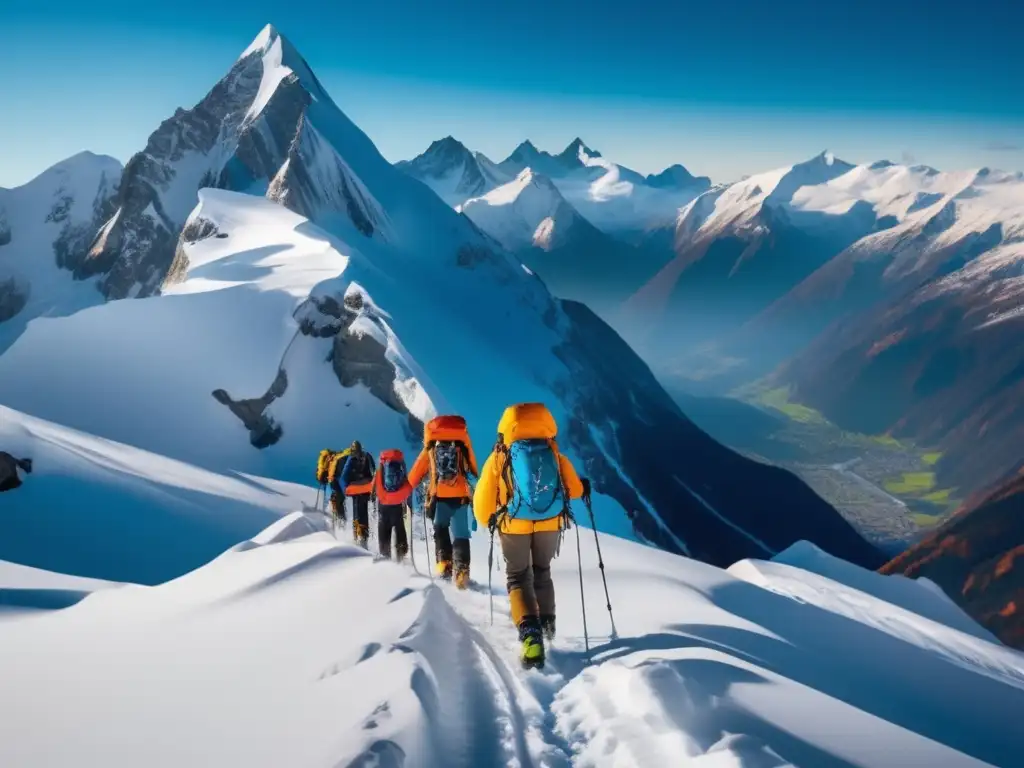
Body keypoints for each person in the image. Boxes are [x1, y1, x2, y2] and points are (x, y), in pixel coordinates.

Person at [473, 403, 588, 670]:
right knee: (542, 571)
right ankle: (547, 627)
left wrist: (487, 520)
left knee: (518, 576)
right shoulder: (553, 452)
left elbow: (482, 502)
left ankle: (531, 636)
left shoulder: (501, 456)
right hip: (550, 521)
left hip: (514, 524)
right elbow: (575, 490)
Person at [408, 415, 479, 588]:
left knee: (440, 529)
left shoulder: (431, 448)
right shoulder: (462, 447)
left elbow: (416, 473)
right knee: (461, 533)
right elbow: (473, 470)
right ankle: (462, 570)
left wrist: (405, 489)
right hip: (460, 496)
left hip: (438, 497)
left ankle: (444, 565)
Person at [374, 449, 413, 561]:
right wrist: (409, 504)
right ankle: (401, 557)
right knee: (400, 529)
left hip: (383, 507)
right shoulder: (401, 465)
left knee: (384, 531)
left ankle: (385, 559)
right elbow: (407, 484)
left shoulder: (381, 468)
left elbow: (376, 485)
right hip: (397, 506)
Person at [340, 441, 376, 549]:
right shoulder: (367, 456)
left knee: (357, 513)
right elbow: (374, 472)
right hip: (366, 488)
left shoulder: (351, 459)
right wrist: (374, 489)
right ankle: (363, 538)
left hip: (355, 490)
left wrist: (345, 490)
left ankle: (358, 538)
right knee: (363, 512)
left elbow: (344, 476)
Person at [325, 447, 352, 525]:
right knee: (340, 503)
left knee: (337, 504)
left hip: (334, 485)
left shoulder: (334, 461)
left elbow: (330, 477)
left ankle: (338, 522)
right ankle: (341, 522)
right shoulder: (346, 458)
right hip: (342, 485)